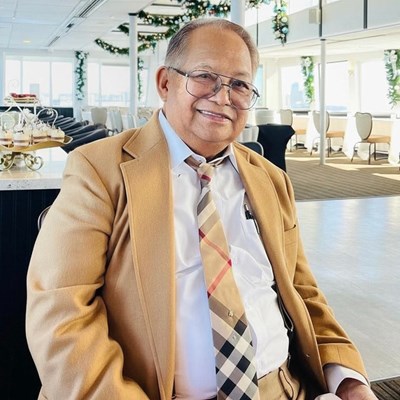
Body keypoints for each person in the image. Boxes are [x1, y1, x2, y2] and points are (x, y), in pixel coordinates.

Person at [26, 18, 377, 400]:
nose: (223, 97)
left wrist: (349, 379)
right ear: (165, 83)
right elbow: (61, 314)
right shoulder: (99, 170)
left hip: (284, 388)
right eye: (205, 76)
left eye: (240, 85)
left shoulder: (270, 179)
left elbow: (302, 292)